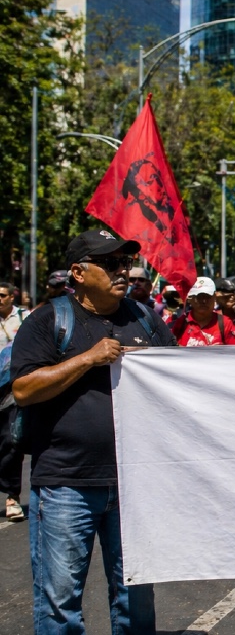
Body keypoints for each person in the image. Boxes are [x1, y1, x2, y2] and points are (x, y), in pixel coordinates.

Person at [11, 229, 176, 634]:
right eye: (110, 263)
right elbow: (24, 389)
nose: (123, 271)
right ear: (78, 272)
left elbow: (178, 378)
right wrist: (88, 358)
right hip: (67, 483)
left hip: (135, 482)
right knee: (60, 601)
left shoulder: (145, 319)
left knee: (136, 597)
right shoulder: (48, 320)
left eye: (125, 263)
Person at [1, 280, 30, 520]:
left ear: (12, 297)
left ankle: (12, 496)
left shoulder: (25, 318)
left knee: (11, 441)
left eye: (2, 295)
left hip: (12, 390)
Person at [173, 277, 235, 347]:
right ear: (190, 298)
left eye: (208, 297)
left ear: (214, 297)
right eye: (199, 297)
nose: (203, 301)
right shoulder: (181, 323)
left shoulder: (226, 324)